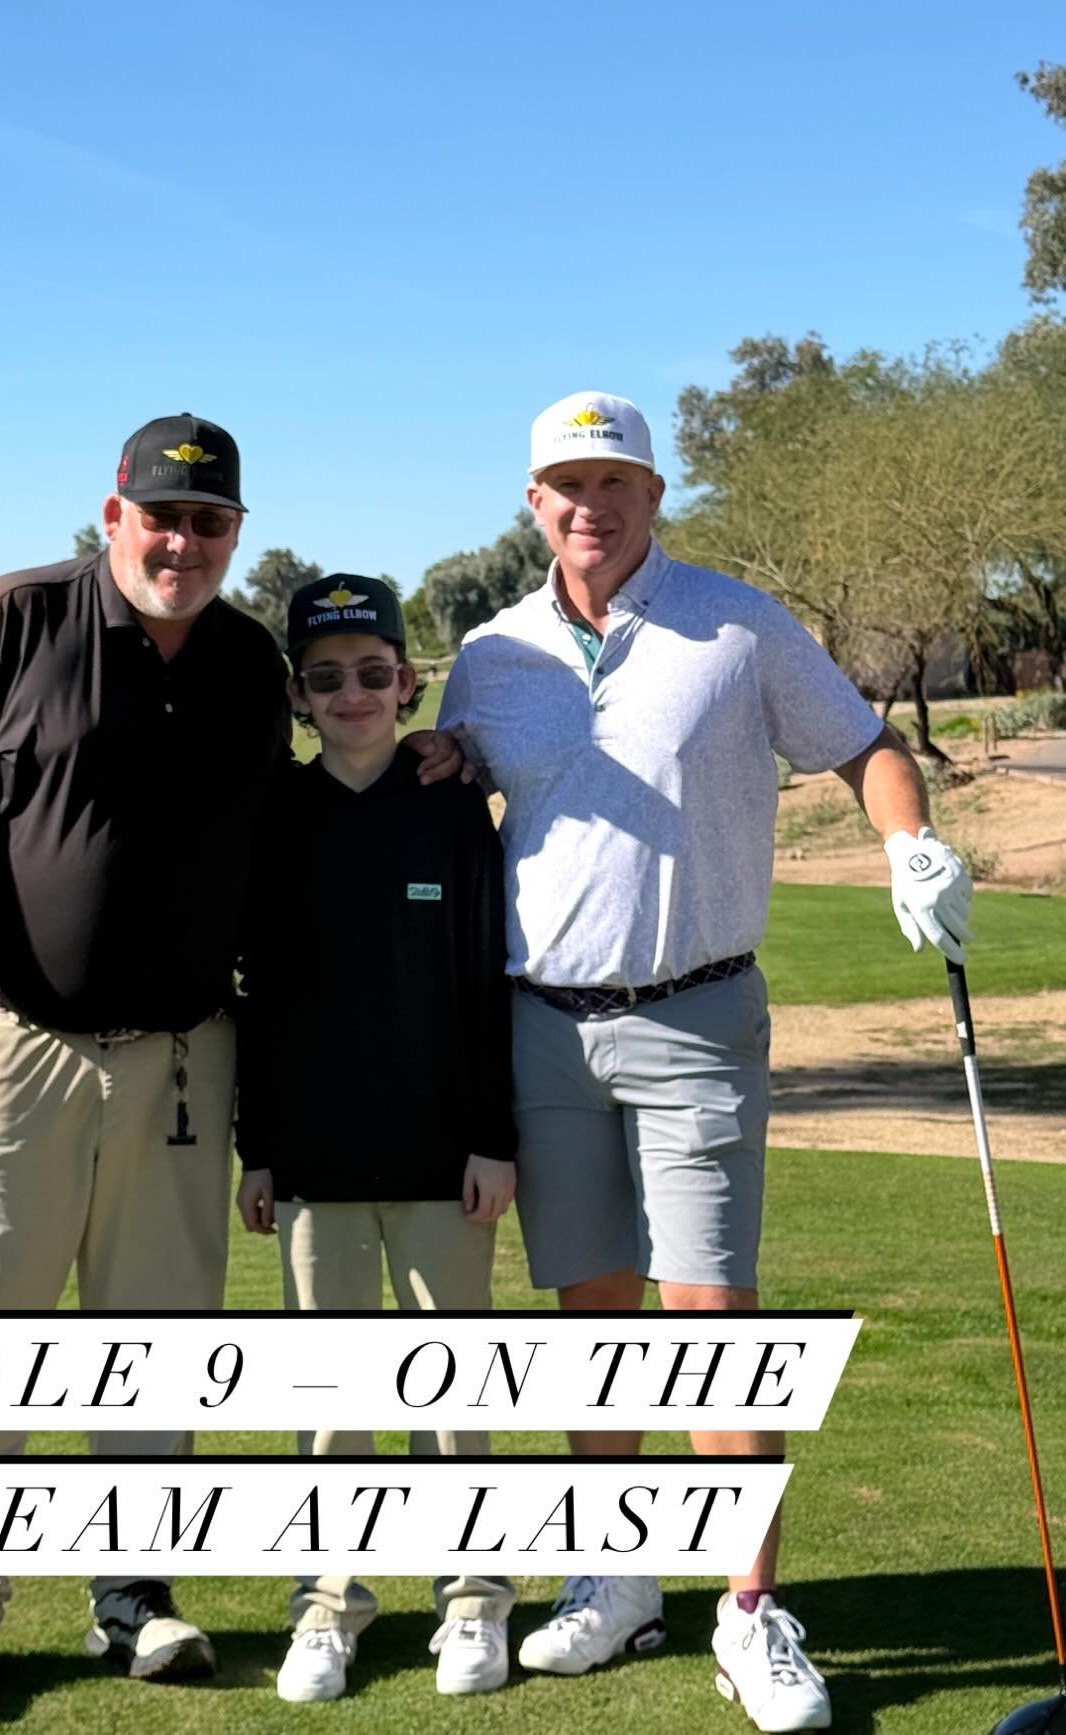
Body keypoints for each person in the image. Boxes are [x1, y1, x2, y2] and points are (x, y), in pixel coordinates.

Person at [0, 414, 461, 1716]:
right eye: (162, 515)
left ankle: (132, 1595)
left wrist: (437, 752)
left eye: (208, 521)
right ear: (113, 512)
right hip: (9, 1042)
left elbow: (324, 782)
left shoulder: (255, 661)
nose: (182, 540)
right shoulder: (9, 623)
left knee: (154, 1340)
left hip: (188, 1056)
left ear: (234, 532)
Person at [438, 390, 973, 1734]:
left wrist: (913, 841)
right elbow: (453, 805)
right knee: (593, 1317)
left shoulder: (739, 623)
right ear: (534, 501)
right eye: (566, 482)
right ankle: (615, 1572)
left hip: (698, 1017)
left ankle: (748, 1612)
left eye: (614, 480)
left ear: (654, 493)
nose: (590, 503)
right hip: (541, 1025)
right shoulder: (491, 655)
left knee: (710, 1326)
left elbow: (866, 745)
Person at [235, 575, 518, 1703]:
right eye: (326, 678)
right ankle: (328, 1606)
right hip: (314, 1159)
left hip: (445, 1155)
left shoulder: (452, 809)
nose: (352, 693)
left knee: (451, 1390)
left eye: (372, 672)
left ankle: (474, 1603)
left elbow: (489, 982)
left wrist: (493, 1137)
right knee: (333, 1390)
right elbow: (256, 995)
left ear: (407, 682)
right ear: (301, 698)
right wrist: (258, 1148)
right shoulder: (279, 814)